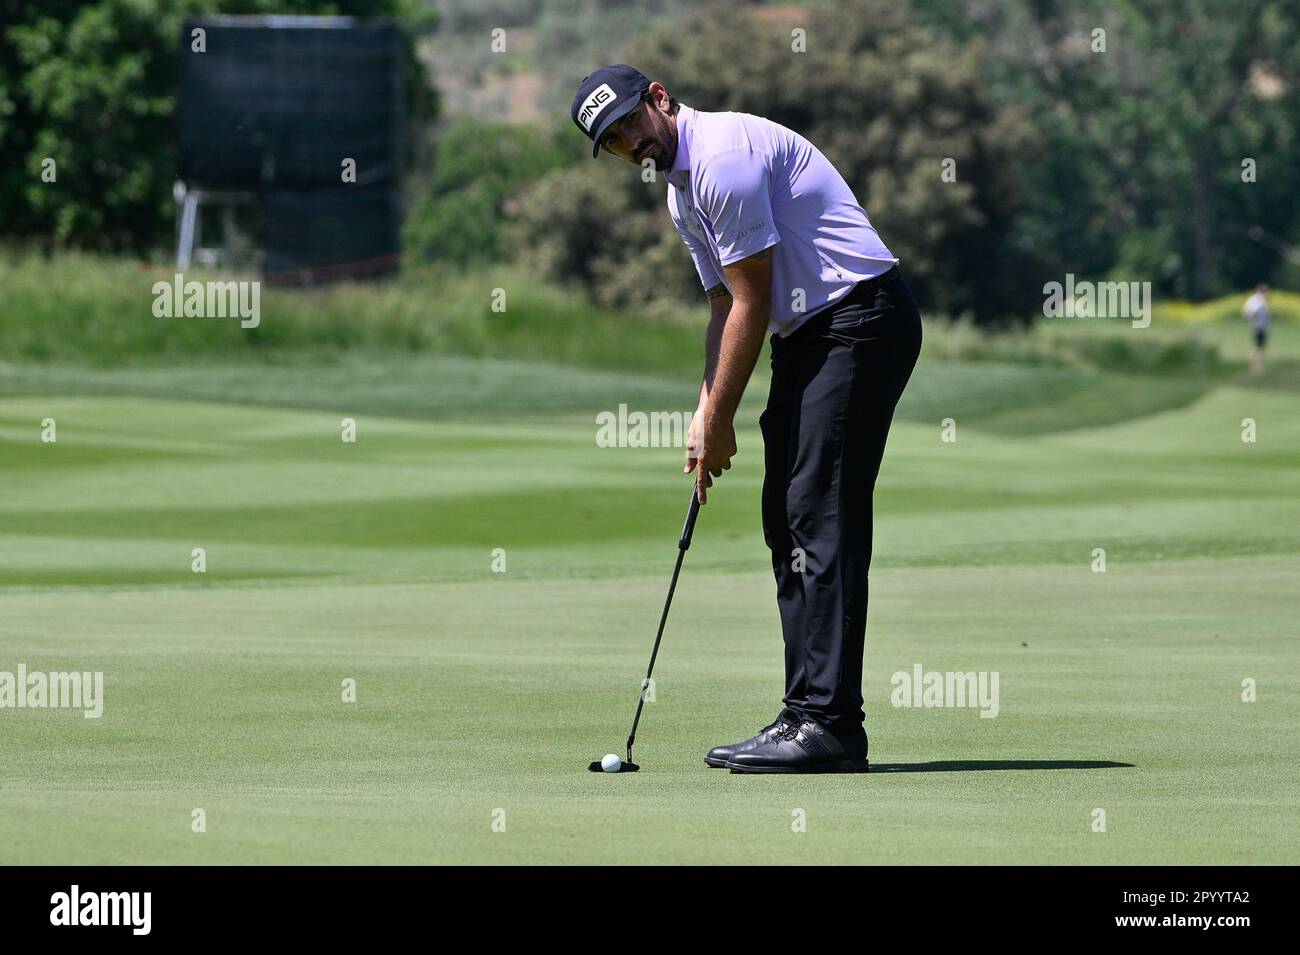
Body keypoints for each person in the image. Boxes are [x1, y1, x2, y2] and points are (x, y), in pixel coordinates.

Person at [570, 66, 922, 773]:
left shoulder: (723, 161)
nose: (631, 143)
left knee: (819, 510)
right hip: (811, 334)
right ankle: (805, 711)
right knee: (785, 515)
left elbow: (752, 302)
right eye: (613, 143)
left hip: (859, 320)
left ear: (660, 98)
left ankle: (830, 724)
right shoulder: (681, 195)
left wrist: (723, 418)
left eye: (632, 122)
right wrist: (705, 412)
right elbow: (722, 311)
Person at [1243, 284, 1271, 375]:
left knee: (1259, 347)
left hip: (1261, 326)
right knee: (1258, 347)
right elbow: (1249, 312)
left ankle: (1257, 365)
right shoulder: (1258, 300)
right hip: (1258, 327)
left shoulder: (1257, 299)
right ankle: (1255, 366)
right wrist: (1253, 322)